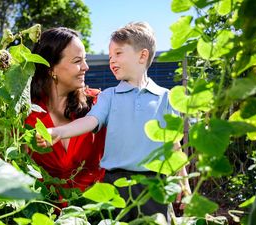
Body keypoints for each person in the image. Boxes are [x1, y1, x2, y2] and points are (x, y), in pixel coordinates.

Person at [37, 22, 191, 221]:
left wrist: (184, 181)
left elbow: (173, 144)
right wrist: (59, 132)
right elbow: (90, 121)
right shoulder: (109, 96)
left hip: (155, 184)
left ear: (142, 56)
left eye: (118, 54)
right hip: (114, 182)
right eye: (110, 56)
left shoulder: (166, 98)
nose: (112, 60)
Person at [25, 27, 106, 201]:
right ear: (51, 68)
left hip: (97, 213)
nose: (86, 67)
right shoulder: (26, 114)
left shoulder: (99, 103)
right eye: (78, 61)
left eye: (84, 59)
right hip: (42, 215)